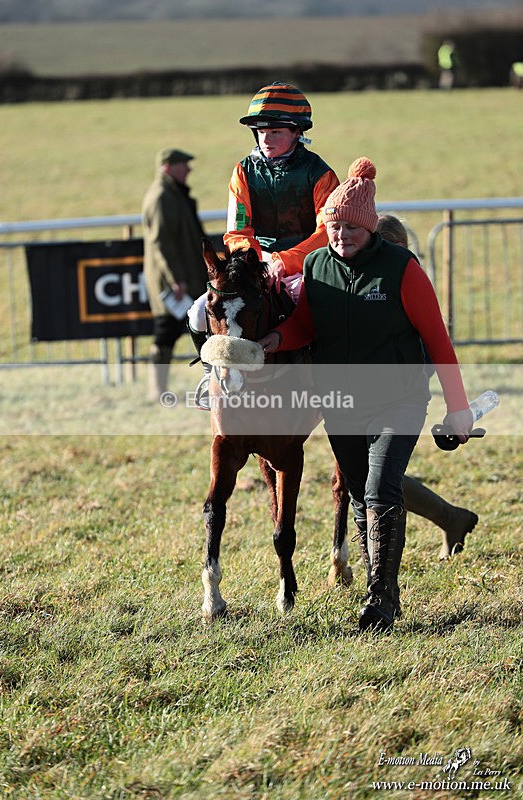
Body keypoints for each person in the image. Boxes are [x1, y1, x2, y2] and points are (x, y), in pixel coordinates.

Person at [258, 158, 474, 631]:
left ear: (370, 227)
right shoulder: (316, 265)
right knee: (359, 493)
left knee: (381, 488)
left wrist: (458, 409)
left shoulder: (402, 268)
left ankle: (382, 600)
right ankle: (380, 588)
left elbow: (438, 340)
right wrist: (276, 338)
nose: (340, 237)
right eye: (333, 227)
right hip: (340, 402)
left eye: (350, 228)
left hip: (399, 398)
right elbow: (304, 325)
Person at [187, 81, 339, 406]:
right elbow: (236, 231)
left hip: (307, 265)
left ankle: (331, 384)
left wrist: (284, 260)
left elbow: (327, 231)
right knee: (199, 312)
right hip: (254, 265)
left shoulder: (321, 174)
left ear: (297, 132)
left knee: (325, 315)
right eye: (260, 132)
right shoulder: (242, 171)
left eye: (276, 132)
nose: (266, 139)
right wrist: (257, 262)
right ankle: (209, 374)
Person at [376, 214, 478, 560]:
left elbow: (431, 348)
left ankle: (386, 572)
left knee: (381, 478)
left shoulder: (406, 279)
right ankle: (453, 519)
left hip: (402, 392)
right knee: (377, 476)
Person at [142, 147, 208, 402]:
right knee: (165, 331)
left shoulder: (172, 194)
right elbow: (162, 243)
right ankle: (156, 391)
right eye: (184, 165)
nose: (189, 169)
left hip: (183, 277)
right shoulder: (162, 196)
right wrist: (174, 279)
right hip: (174, 282)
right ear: (168, 167)